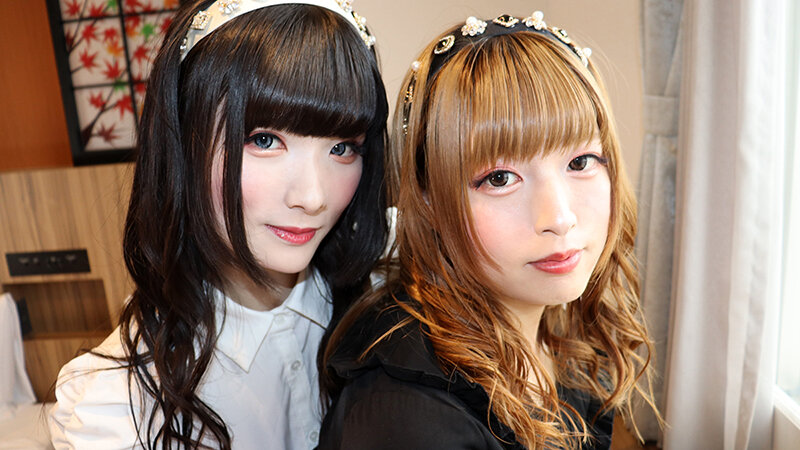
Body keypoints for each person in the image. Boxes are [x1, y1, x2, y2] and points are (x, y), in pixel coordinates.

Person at [48, 0, 388, 448]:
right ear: (184, 144)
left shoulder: (387, 302)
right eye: (264, 140)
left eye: (342, 148)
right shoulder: (117, 407)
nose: (313, 197)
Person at [318, 11, 659, 450]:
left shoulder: (560, 335)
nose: (559, 218)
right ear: (428, 200)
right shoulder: (409, 416)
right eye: (499, 179)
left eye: (580, 162)